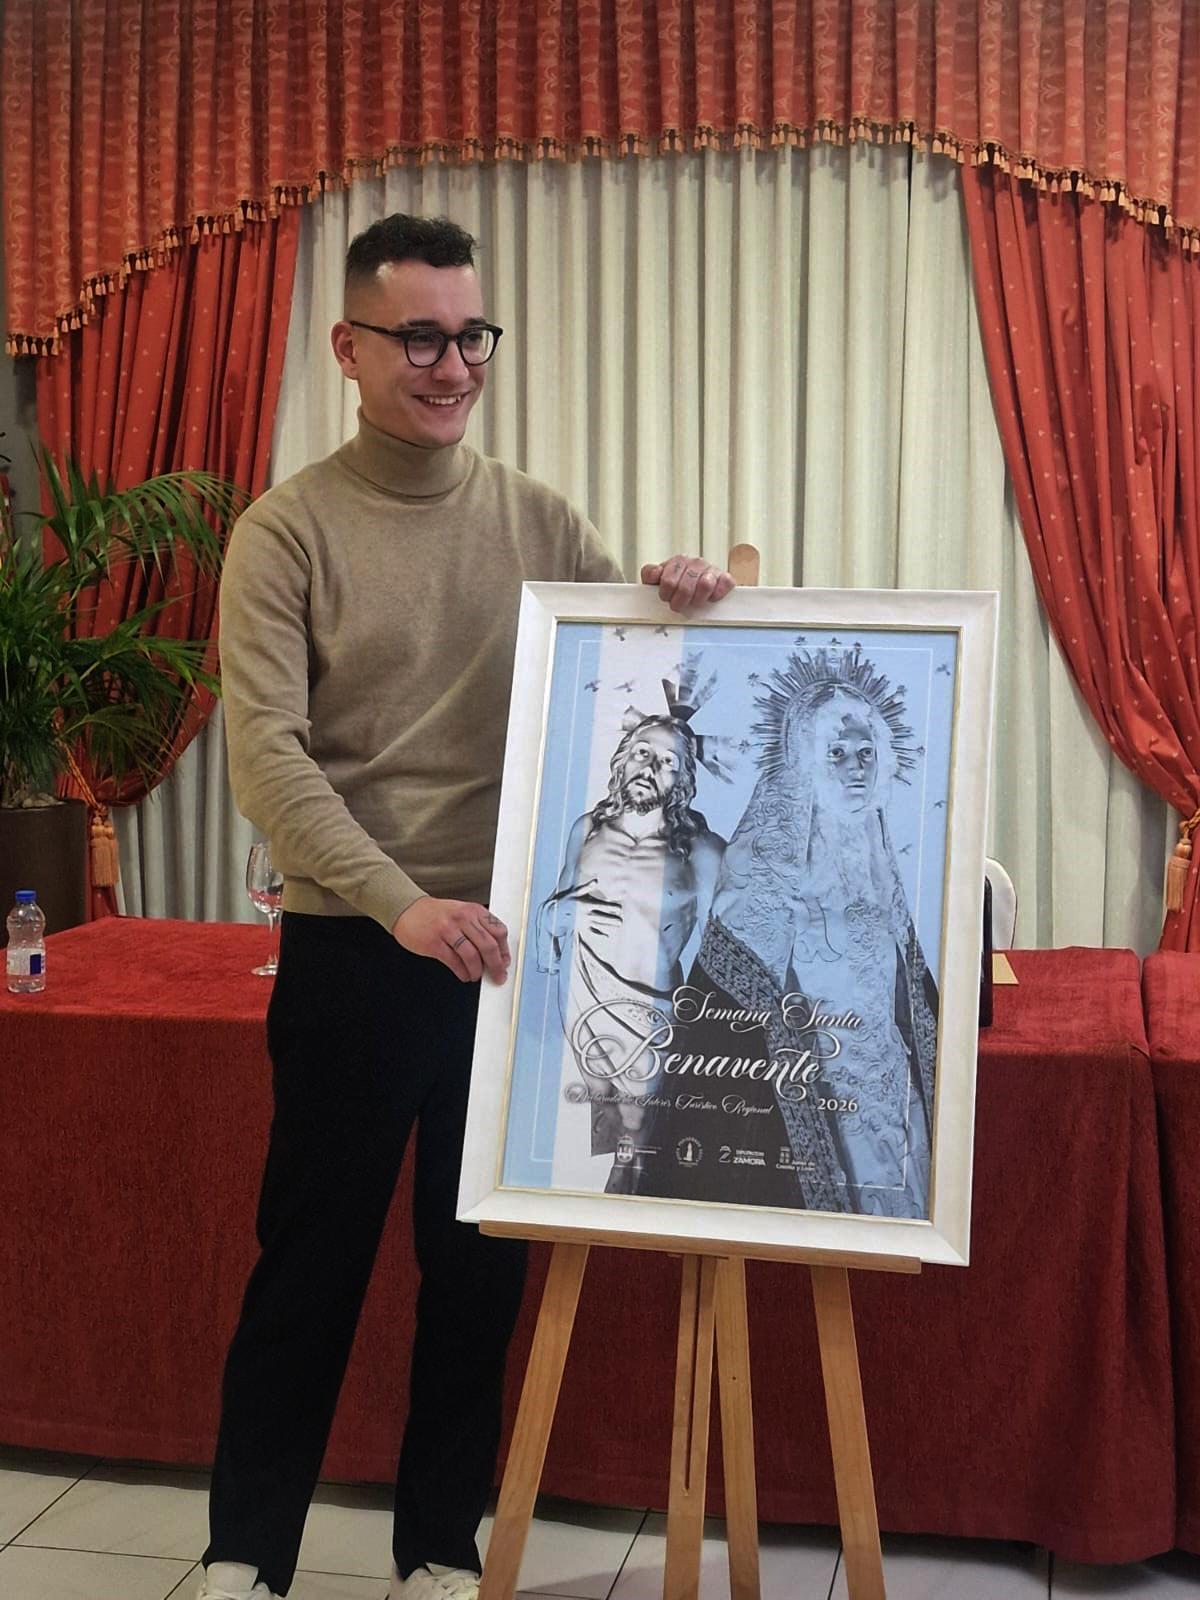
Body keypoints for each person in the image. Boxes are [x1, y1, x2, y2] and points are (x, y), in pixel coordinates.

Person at [198, 212, 734, 1600]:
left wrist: (685, 597)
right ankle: (245, 1555)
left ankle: (438, 1543)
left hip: (513, 960)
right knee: (306, 1268)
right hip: (353, 950)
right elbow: (269, 756)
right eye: (420, 337)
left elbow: (633, 693)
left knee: (476, 1273)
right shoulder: (285, 532)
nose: (451, 365)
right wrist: (400, 906)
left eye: (470, 336)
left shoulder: (540, 518)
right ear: (351, 349)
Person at [629, 646, 938, 1216]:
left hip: (887, 1085)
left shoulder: (877, 850)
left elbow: (904, 986)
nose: (855, 767)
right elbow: (743, 980)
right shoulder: (766, 857)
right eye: (837, 752)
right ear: (805, 758)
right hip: (813, 1083)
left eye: (866, 752)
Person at [536, 704, 726, 1188]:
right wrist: (559, 916)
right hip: (579, 996)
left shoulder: (701, 851)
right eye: (643, 752)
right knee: (596, 1107)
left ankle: (627, 1211)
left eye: (668, 762)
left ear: (683, 780)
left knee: (638, 1126)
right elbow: (547, 935)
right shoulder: (587, 829)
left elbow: (718, 947)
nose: (650, 767)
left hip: (650, 1007)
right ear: (623, 758)